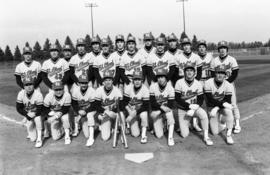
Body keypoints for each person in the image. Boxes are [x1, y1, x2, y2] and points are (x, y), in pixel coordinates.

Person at [175, 62, 213, 146]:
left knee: (203, 114)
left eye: (191, 70)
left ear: (194, 72)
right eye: (187, 70)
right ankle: (188, 123)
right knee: (184, 135)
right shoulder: (179, 82)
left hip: (194, 109)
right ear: (184, 72)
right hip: (183, 110)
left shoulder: (198, 83)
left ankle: (206, 136)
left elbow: (200, 99)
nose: (189, 72)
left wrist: (194, 108)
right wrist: (188, 106)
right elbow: (177, 98)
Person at [210, 41, 241, 134]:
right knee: (219, 103)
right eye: (220, 48)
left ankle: (237, 124)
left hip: (229, 84)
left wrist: (227, 83)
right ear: (218, 50)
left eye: (224, 48)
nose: (222, 50)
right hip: (218, 86)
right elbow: (212, 74)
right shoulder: (214, 60)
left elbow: (235, 73)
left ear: (227, 49)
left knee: (233, 104)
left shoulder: (232, 59)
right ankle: (222, 122)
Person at [204, 65, 235, 145]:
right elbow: (210, 99)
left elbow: (227, 101)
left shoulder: (228, 85)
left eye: (222, 73)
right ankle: (222, 124)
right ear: (215, 73)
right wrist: (220, 105)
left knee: (228, 111)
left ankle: (228, 135)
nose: (220, 75)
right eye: (218, 73)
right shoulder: (208, 83)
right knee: (214, 132)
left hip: (219, 108)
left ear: (225, 75)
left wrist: (217, 108)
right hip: (211, 106)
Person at [90, 70, 124, 141]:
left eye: (109, 80)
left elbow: (121, 106)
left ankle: (121, 128)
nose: (108, 82)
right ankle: (109, 126)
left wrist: (113, 111)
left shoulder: (116, 90)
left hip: (113, 113)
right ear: (103, 82)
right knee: (105, 138)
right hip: (105, 114)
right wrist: (104, 111)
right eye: (106, 80)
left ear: (112, 81)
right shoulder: (99, 90)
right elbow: (96, 105)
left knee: (121, 114)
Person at [149, 68, 175, 146]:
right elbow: (152, 103)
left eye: (162, 77)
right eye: (159, 77)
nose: (160, 79)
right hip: (157, 109)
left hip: (164, 110)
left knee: (170, 114)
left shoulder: (170, 88)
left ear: (166, 78)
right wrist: (162, 107)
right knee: (159, 135)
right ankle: (162, 124)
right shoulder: (153, 86)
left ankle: (170, 137)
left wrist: (160, 110)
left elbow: (170, 105)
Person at [122, 70, 149, 143]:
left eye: (139, 79)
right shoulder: (128, 88)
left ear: (142, 80)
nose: (137, 81)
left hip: (139, 111)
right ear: (132, 80)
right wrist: (129, 112)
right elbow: (124, 102)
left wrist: (135, 112)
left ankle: (143, 135)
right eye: (135, 79)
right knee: (135, 134)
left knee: (144, 114)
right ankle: (130, 125)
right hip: (130, 111)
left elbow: (146, 106)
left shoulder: (145, 89)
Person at [16, 76, 43, 148]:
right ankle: (34, 127)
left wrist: (30, 115)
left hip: (37, 113)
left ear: (33, 85)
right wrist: (27, 115)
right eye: (26, 85)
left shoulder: (38, 94)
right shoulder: (21, 94)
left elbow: (40, 109)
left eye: (30, 84)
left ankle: (39, 139)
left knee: (37, 118)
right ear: (24, 86)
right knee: (32, 138)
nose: (29, 87)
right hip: (29, 114)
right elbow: (18, 108)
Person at [71, 74, 96, 146]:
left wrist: (85, 111)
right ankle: (77, 125)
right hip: (81, 111)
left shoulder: (91, 91)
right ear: (78, 83)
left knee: (89, 115)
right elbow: (74, 104)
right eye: (82, 83)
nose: (84, 85)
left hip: (90, 110)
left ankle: (91, 138)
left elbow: (93, 105)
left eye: (85, 83)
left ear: (88, 83)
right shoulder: (75, 90)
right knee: (86, 135)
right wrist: (79, 111)